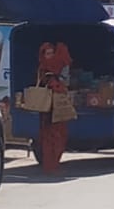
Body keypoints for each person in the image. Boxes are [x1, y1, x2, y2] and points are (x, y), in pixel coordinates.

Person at [36, 42, 73, 175]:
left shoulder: (62, 65)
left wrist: (56, 83)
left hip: (58, 106)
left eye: (52, 53)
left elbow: (65, 81)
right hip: (46, 108)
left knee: (59, 135)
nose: (49, 56)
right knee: (46, 137)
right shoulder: (42, 68)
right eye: (47, 53)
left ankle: (55, 161)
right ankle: (49, 164)